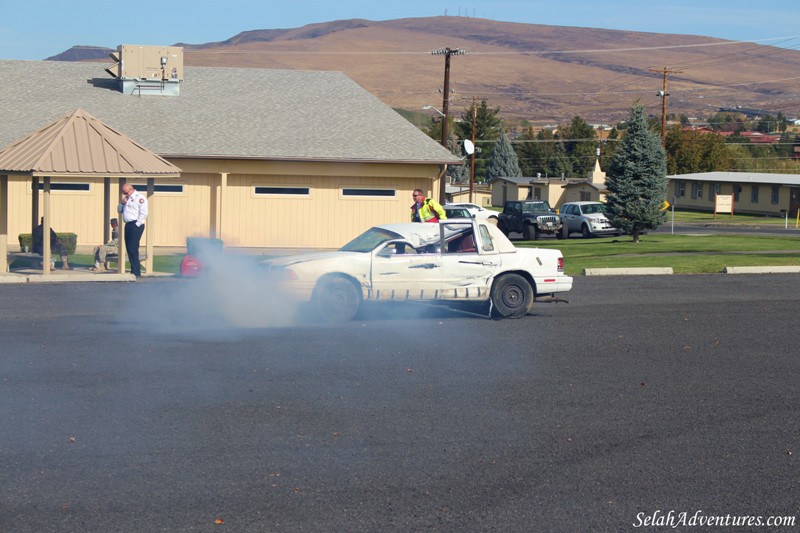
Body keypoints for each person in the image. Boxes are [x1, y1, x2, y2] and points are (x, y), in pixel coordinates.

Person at [118, 183, 148, 277]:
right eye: (123, 193)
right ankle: (133, 271)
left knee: (133, 248)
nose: (124, 194)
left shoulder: (140, 198)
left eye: (125, 192)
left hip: (136, 225)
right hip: (128, 224)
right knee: (129, 248)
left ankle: (136, 272)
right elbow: (119, 210)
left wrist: (137, 224)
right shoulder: (126, 199)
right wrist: (122, 203)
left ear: (131, 189)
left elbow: (144, 213)